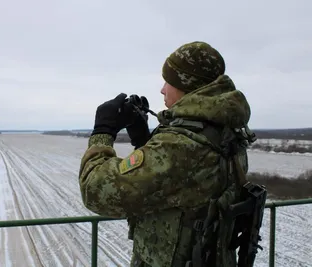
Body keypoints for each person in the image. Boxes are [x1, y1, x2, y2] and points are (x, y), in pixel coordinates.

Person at [78, 41, 253, 267]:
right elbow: (181, 182)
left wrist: (103, 131)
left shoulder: (182, 145)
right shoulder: (225, 130)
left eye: (168, 82)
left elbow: (95, 190)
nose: (162, 89)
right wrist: (144, 140)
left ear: (187, 86)